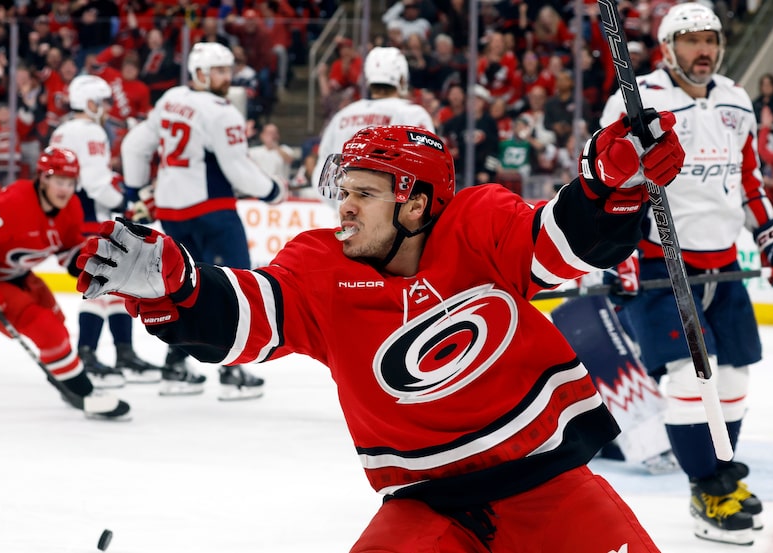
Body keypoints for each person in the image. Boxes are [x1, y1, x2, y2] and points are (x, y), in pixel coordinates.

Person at [76, 117, 684, 551]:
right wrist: (174, 284)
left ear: (416, 203)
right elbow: (248, 315)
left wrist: (609, 187)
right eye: (344, 193)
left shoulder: (478, 224)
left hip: (550, 489)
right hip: (425, 509)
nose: (345, 208)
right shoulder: (320, 269)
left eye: (364, 194)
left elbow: (562, 242)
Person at [599, 3, 773, 546]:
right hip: (661, 260)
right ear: (668, 48)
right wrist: (619, 256)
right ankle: (707, 487)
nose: (703, 50)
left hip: (723, 262)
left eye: (711, 39)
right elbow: (610, 186)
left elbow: (750, 182)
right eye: (691, 41)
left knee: (733, 381)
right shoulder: (638, 101)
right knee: (690, 381)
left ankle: (722, 480)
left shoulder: (736, 99)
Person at [120, 42, 286, 400]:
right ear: (200, 73)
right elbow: (237, 168)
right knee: (239, 284)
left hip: (171, 211)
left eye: (228, 70)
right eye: (220, 71)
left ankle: (174, 366)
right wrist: (273, 190)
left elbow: (134, 145)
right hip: (212, 209)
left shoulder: (170, 99)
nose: (227, 77)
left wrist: (134, 191)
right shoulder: (221, 111)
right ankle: (232, 371)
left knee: (182, 288)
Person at [0, 147, 130, 420]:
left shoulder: (71, 208)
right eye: (58, 181)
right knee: (46, 329)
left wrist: (96, 268)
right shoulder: (15, 202)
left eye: (69, 182)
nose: (64, 189)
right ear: (43, 178)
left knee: (57, 321)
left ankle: (63, 378)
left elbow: (67, 254)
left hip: (17, 275)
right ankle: (83, 393)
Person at [51, 74, 162, 388]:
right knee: (101, 283)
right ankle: (88, 353)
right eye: (100, 101)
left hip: (72, 214)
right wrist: (126, 202)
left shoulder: (62, 130)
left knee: (111, 285)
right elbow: (97, 180)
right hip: (89, 214)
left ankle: (122, 353)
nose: (104, 108)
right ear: (88, 102)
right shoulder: (89, 130)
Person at [311, 46, 434, 186]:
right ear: (401, 79)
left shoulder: (342, 116)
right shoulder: (412, 114)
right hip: (390, 203)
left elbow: (322, 172)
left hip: (345, 204)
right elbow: (426, 168)